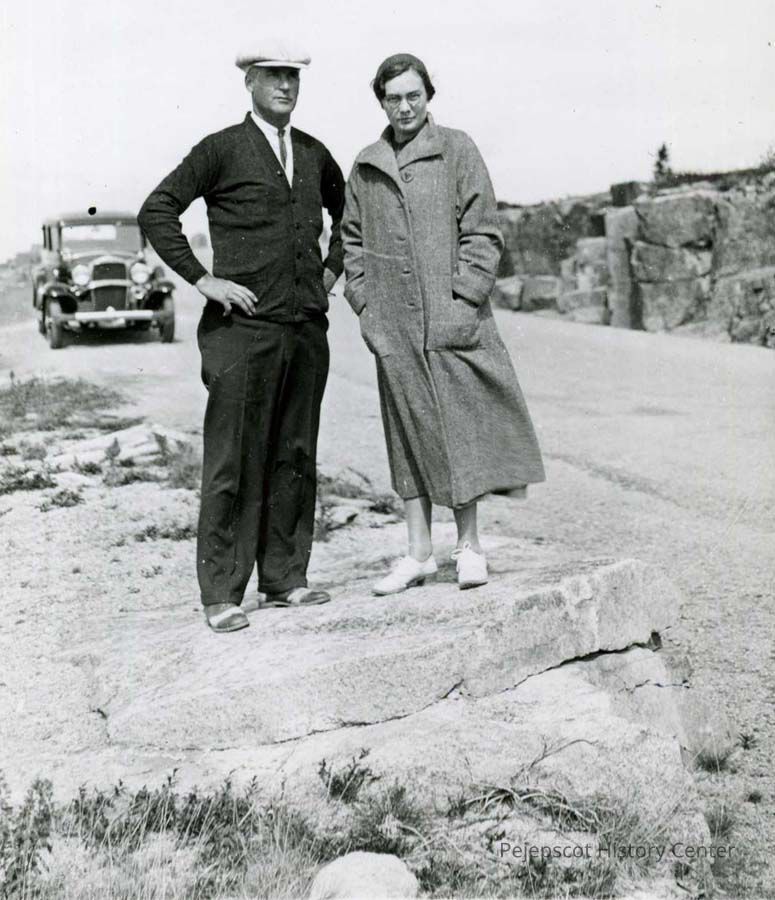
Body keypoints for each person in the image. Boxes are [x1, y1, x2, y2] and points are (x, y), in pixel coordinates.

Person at [138, 44, 345, 632]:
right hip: (241, 332)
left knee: (295, 453)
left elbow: (349, 217)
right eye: (273, 76)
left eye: (293, 77)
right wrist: (203, 279)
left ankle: (285, 579)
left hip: (305, 329)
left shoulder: (313, 152)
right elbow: (157, 210)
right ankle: (222, 594)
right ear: (249, 82)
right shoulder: (221, 148)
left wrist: (331, 272)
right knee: (233, 459)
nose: (285, 86)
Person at [342, 53, 545, 595]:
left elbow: (484, 232)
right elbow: (351, 242)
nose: (404, 107)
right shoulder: (366, 164)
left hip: (449, 317)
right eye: (393, 98)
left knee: (461, 433)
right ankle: (417, 554)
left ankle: (469, 547)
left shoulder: (457, 149)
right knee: (405, 434)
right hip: (392, 325)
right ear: (381, 102)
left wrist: (462, 302)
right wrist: (366, 306)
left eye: (414, 95)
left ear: (428, 96)